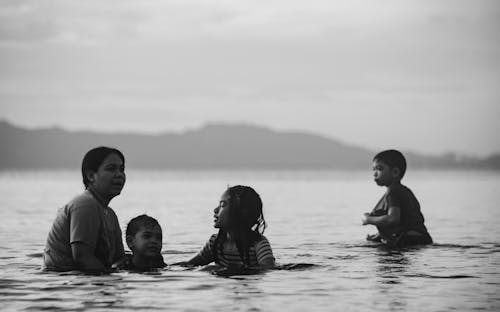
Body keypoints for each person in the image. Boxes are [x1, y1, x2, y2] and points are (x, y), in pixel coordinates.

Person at [43, 146, 126, 272]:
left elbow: (119, 259)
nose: (119, 175)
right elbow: (82, 257)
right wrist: (110, 281)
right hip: (66, 283)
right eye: (111, 169)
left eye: (121, 169)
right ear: (91, 176)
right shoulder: (85, 205)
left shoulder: (110, 214)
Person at [180, 185, 275, 270]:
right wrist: (166, 266)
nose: (215, 210)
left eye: (222, 205)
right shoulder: (215, 242)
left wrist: (227, 270)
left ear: (240, 213)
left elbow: (268, 268)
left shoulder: (258, 243)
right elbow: (190, 265)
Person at [362, 149, 433, 247]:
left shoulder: (393, 192)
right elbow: (404, 222)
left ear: (395, 172)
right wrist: (380, 236)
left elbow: (393, 219)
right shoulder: (404, 191)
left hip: (408, 240)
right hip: (422, 239)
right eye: (373, 169)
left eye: (379, 169)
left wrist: (368, 219)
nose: (375, 173)